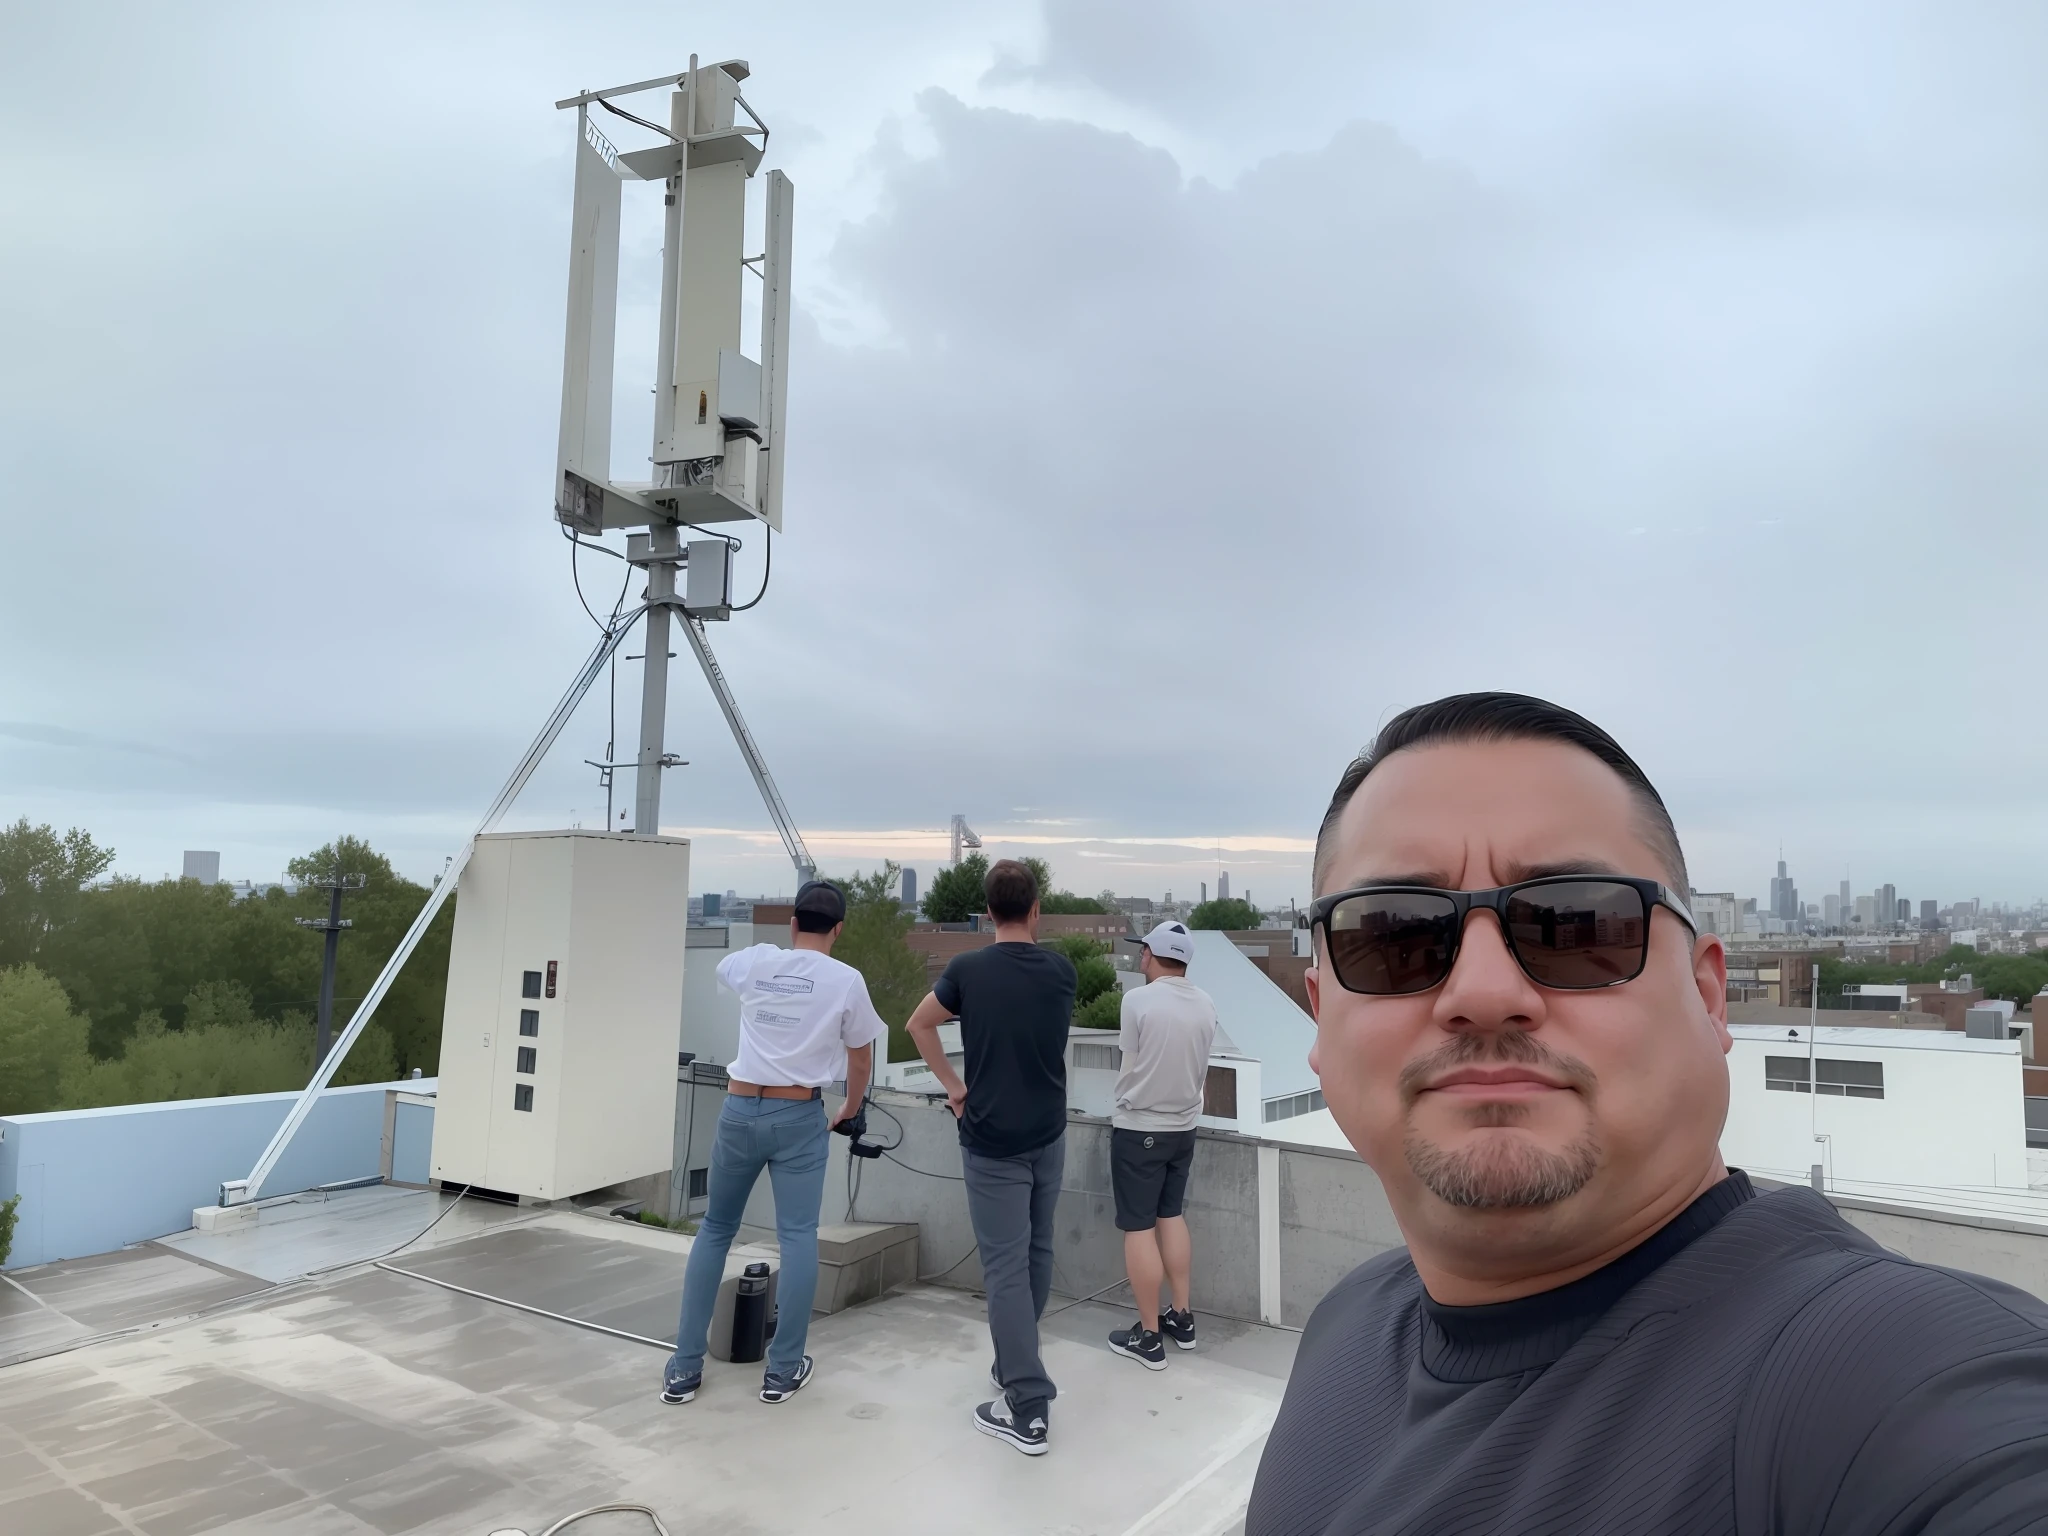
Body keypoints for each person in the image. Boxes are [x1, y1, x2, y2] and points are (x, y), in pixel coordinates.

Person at [1247, 692, 2048, 1535]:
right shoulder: (1347, 1321)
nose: (1482, 993)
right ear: (1319, 1013)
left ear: (1707, 996)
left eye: (1576, 921)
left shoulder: (1880, 1381)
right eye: (1394, 936)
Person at [662, 879, 883, 1407]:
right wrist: (849, 1107)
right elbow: (860, 1058)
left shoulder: (758, 961)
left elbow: (724, 970)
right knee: (798, 1237)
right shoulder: (846, 980)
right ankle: (782, 1371)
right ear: (838, 929)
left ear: (792, 924)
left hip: (738, 1109)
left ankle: (684, 1369)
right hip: (798, 1115)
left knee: (715, 1229)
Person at [905, 858, 1077, 1456]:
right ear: (1035, 910)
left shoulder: (967, 970)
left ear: (987, 911)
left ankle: (1027, 1406)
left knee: (1004, 1267)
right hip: (1047, 1134)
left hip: (990, 1138)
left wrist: (955, 1087)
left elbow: (918, 1025)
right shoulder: (1061, 970)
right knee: (1037, 1251)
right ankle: (1015, 1363)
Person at [1106, 919, 1217, 1369]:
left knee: (1138, 1227)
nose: (1139, 957)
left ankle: (1149, 1337)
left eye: (1143, 951)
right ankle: (1182, 1317)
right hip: (1183, 1126)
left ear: (1152, 955)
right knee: (1170, 1213)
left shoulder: (1138, 1000)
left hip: (1140, 1126)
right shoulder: (1206, 1003)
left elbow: (1130, 1059)